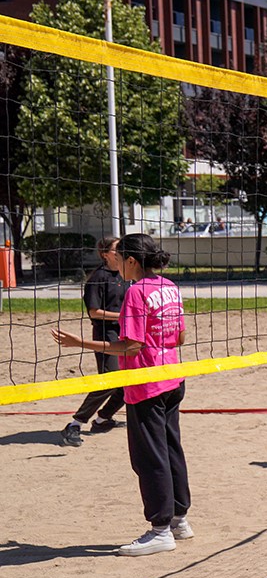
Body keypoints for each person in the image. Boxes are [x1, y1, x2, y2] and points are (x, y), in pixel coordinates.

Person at [50, 234, 193, 557]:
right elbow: (181, 336)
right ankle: (179, 521)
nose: (116, 265)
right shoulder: (168, 286)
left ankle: (160, 530)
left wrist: (80, 343)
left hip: (145, 383)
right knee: (171, 448)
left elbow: (131, 346)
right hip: (172, 376)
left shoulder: (136, 293)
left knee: (149, 456)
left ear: (131, 261)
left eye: (120, 259)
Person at [60, 236, 127, 446]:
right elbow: (94, 312)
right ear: (105, 254)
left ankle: (103, 419)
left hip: (126, 333)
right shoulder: (98, 277)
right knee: (110, 379)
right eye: (117, 249)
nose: (122, 252)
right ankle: (74, 424)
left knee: (132, 381)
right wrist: (124, 316)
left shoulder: (127, 274)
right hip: (106, 334)